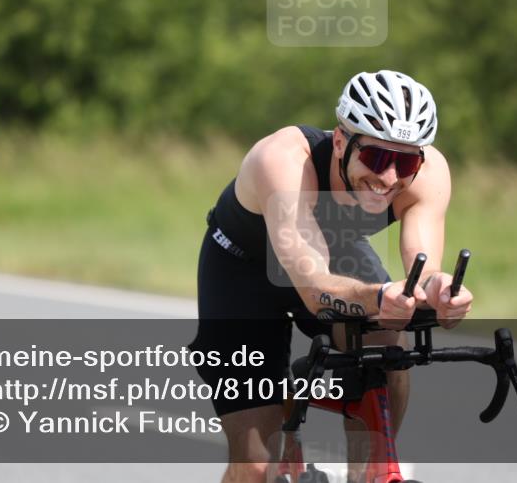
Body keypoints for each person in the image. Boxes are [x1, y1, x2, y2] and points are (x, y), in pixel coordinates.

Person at [189, 70, 473, 483]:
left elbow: (422, 271)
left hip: (336, 251)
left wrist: (441, 292)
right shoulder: (284, 160)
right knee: (255, 465)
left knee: (388, 345)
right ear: (341, 141)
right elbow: (314, 285)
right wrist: (380, 298)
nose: (390, 178)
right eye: (376, 157)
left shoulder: (428, 174)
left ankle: (366, 474)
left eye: (406, 161)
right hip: (244, 268)